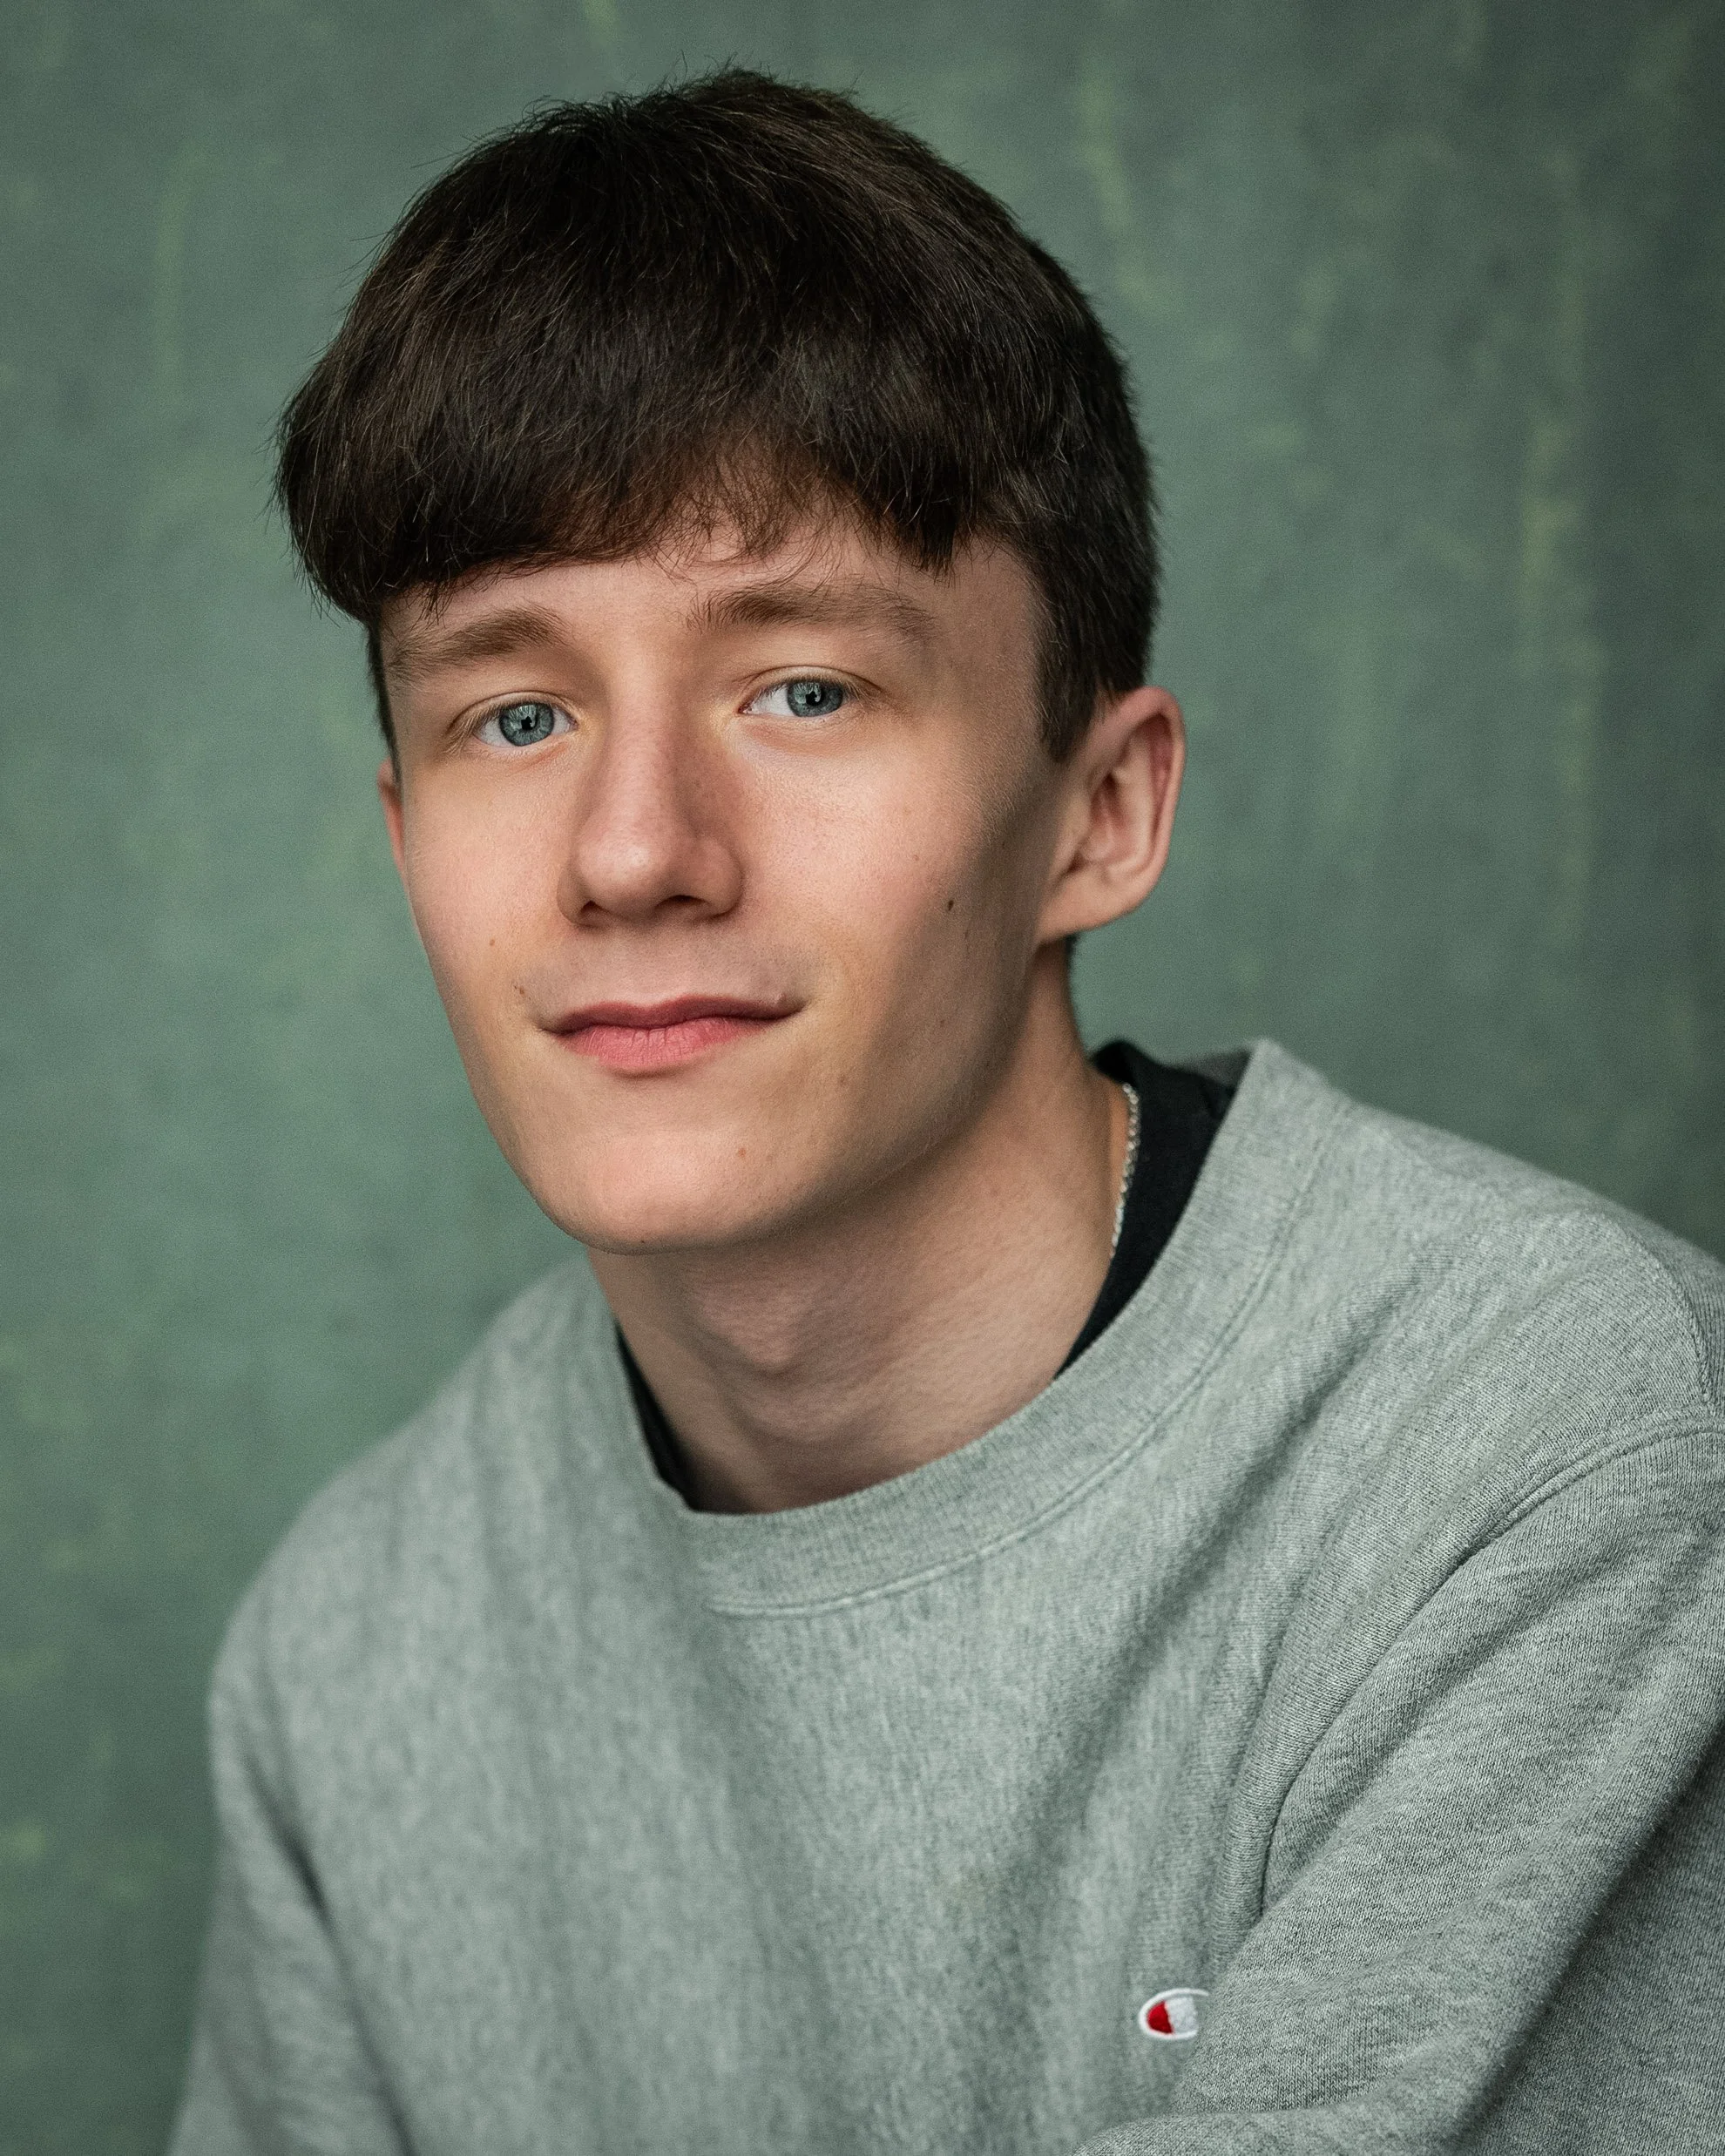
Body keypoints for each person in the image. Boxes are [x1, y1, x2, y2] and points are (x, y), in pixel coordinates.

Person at [171, 70, 1725, 2156]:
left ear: (1101, 811)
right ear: (405, 836)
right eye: (513, 712)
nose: (633, 851)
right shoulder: (353, 1660)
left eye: (802, 686)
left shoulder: (1550, 1455)